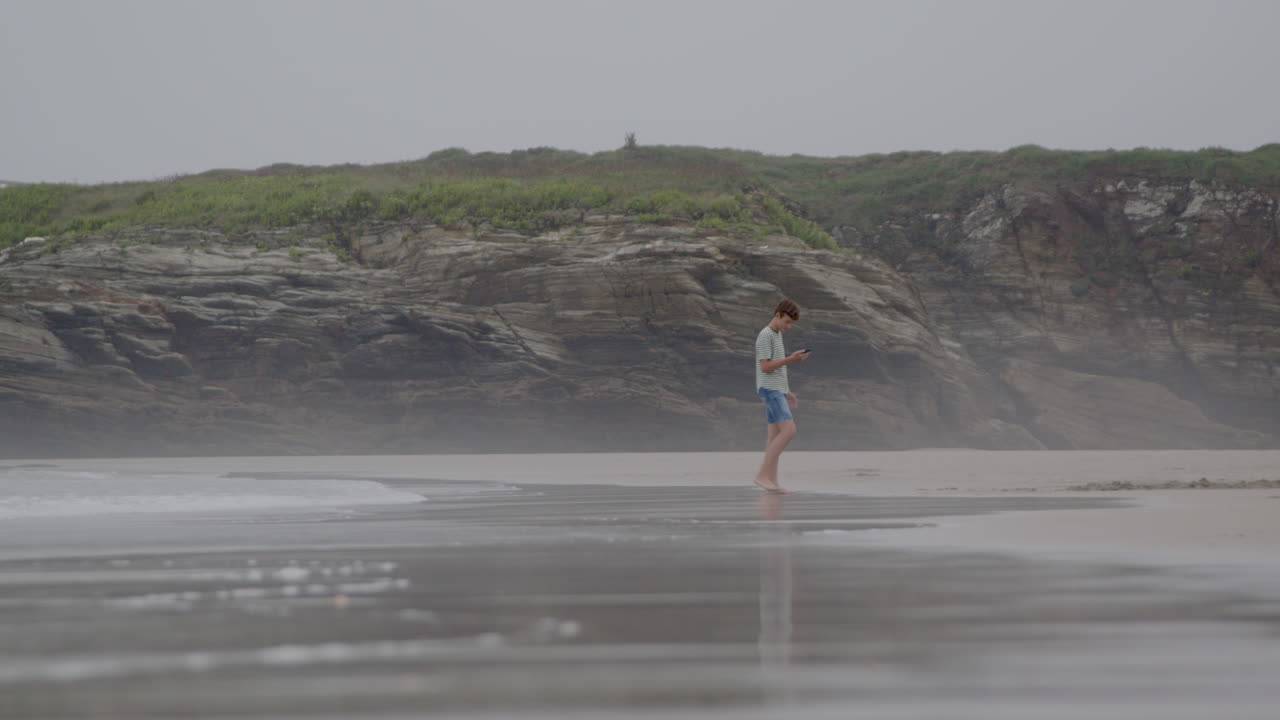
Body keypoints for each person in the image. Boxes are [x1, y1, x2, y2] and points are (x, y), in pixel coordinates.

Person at [753, 298, 808, 493]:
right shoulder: (766, 335)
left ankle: (772, 482)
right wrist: (791, 359)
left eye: (791, 324)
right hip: (769, 389)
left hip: (775, 389)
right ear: (778, 315)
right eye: (787, 322)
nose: (788, 327)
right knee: (789, 431)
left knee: (774, 435)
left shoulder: (776, 335)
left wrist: (787, 392)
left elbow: (776, 369)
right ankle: (761, 475)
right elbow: (765, 366)